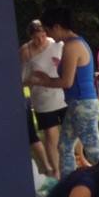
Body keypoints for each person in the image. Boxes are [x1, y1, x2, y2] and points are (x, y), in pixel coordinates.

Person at [28, 7, 99, 179]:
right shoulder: (76, 43)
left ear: (57, 26)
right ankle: (68, 183)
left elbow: (66, 82)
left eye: (48, 30)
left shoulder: (72, 46)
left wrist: (43, 80)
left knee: (93, 151)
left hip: (82, 105)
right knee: (64, 145)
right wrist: (46, 78)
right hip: (78, 104)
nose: (48, 34)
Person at [20, 19, 65, 178]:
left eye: (43, 35)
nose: (40, 40)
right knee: (51, 135)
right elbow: (22, 78)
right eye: (36, 37)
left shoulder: (56, 44)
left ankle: (73, 162)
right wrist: (32, 81)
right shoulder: (26, 51)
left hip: (62, 94)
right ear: (31, 37)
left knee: (70, 132)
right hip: (42, 98)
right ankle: (56, 171)